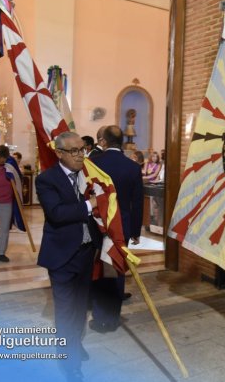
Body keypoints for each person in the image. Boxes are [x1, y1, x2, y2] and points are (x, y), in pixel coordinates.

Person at [35, 132, 100, 381]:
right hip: (61, 256)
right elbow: (57, 213)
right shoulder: (47, 180)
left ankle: (75, 343)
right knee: (64, 311)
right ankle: (68, 361)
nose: (80, 155)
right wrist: (89, 205)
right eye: (73, 151)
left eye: (82, 149)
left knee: (80, 306)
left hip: (85, 253)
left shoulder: (88, 175)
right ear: (59, 153)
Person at [90, 125, 144, 332]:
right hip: (122, 225)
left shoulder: (93, 164)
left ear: (103, 141)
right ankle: (112, 318)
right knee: (116, 270)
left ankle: (99, 315)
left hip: (98, 224)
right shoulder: (132, 167)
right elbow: (137, 203)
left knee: (98, 269)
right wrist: (136, 231)